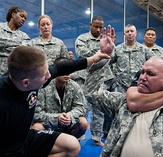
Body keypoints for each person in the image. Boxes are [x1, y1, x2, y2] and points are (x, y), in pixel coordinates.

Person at [0, 25, 114, 157]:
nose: (49, 76)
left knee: (71, 145)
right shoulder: (3, 100)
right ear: (26, 82)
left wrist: (97, 56)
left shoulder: (33, 77)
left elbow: (62, 67)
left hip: (25, 139)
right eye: (44, 75)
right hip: (4, 148)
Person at [85, 56, 163, 157]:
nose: (142, 78)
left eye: (150, 74)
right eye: (142, 72)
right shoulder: (123, 103)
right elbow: (91, 93)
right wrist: (101, 58)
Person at [75, 16, 114, 146]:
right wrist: (101, 53)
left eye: (100, 27)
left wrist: (101, 54)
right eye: (95, 26)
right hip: (84, 78)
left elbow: (110, 57)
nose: (98, 29)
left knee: (99, 109)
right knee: (82, 108)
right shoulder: (82, 39)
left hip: (102, 79)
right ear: (90, 24)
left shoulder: (107, 40)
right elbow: (84, 55)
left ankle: (97, 138)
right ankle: (78, 136)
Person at [32, 57, 88, 140]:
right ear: (56, 71)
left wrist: (70, 116)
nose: (67, 73)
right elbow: (36, 114)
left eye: (69, 70)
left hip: (68, 124)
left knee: (83, 122)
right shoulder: (43, 87)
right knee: (37, 127)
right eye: (64, 70)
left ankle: (71, 143)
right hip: (50, 125)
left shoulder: (74, 86)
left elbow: (81, 107)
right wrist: (57, 118)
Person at [110, 24, 151, 93]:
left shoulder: (143, 49)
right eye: (127, 31)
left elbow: (153, 63)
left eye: (132, 31)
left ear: (136, 33)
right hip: (122, 87)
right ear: (124, 34)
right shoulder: (118, 49)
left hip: (139, 85)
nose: (130, 33)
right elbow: (108, 62)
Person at [0, 6, 30, 75]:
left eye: (25, 18)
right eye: (21, 16)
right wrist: (16, 45)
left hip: (12, 76)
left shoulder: (24, 37)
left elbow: (22, 53)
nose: (23, 19)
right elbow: (17, 49)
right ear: (13, 14)